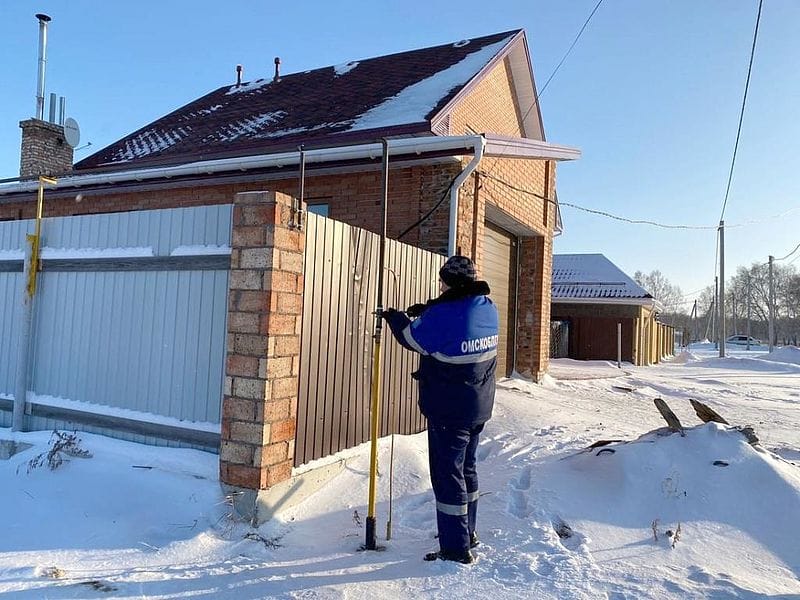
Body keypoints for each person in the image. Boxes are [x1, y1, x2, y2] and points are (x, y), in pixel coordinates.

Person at [383, 255, 499, 564]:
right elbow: (457, 321)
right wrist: (429, 310)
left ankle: (455, 548)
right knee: (467, 469)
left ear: (450, 282)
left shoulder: (444, 315)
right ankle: (467, 531)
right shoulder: (487, 307)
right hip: (478, 405)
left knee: (448, 476)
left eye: (442, 281)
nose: (440, 285)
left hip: (450, 410)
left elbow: (412, 338)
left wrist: (396, 318)